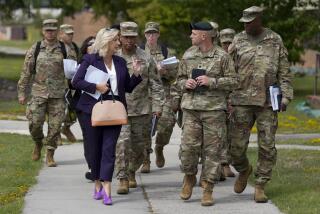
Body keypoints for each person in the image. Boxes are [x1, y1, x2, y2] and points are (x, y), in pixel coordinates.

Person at [228, 6, 293, 203]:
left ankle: (260, 185)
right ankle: (244, 169)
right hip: (241, 101)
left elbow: (284, 70)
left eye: (250, 21)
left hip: (267, 102)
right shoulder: (237, 40)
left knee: (267, 146)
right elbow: (228, 69)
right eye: (244, 22)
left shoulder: (275, 39)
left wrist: (286, 96)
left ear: (259, 19)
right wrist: (227, 97)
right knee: (235, 148)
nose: (246, 25)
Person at [72, 27, 142, 205]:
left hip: (114, 111)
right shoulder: (90, 59)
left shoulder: (119, 62)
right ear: (106, 42)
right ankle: (97, 184)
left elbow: (126, 87)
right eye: (116, 40)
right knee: (95, 150)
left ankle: (107, 188)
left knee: (109, 150)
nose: (119, 43)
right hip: (92, 112)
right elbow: (76, 81)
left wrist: (137, 74)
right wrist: (96, 87)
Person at [176, 21, 238, 206]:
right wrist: (184, 84)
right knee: (188, 149)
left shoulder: (222, 56)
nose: (190, 36)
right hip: (191, 109)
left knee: (213, 153)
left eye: (193, 34)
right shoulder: (188, 54)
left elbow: (234, 81)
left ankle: (208, 188)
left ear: (204, 36)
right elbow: (178, 80)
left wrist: (213, 81)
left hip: (213, 111)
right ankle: (189, 177)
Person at [115, 21, 163, 194]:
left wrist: (158, 105)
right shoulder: (113, 56)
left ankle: (131, 171)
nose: (129, 40)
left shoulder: (145, 57)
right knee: (122, 143)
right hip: (119, 109)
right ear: (120, 37)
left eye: (132, 37)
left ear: (136, 38)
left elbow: (156, 84)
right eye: (126, 37)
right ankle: (122, 178)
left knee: (140, 148)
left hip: (142, 109)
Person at [17, 19, 70, 167]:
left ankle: (50, 154)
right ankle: (38, 142)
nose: (50, 32)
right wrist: (21, 92)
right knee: (34, 123)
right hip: (38, 93)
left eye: (53, 30)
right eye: (47, 30)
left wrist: (74, 89)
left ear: (57, 31)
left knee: (55, 126)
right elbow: (26, 72)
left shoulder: (65, 49)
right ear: (43, 31)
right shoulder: (36, 48)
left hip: (58, 95)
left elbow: (72, 72)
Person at [140, 21, 178, 171]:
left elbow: (176, 74)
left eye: (154, 33)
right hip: (145, 95)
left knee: (167, 124)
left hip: (164, 94)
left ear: (158, 34)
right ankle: (145, 160)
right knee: (144, 128)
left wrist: (165, 72)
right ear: (144, 35)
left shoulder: (166, 51)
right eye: (148, 33)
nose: (151, 36)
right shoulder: (139, 51)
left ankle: (160, 147)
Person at [75, 36, 96, 181]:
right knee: (89, 138)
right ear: (85, 47)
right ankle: (92, 168)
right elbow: (74, 83)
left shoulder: (104, 62)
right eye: (91, 44)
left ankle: (100, 166)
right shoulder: (82, 63)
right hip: (84, 107)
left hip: (101, 106)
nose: (94, 46)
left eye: (96, 43)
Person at [218, 28, 237, 178]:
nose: (227, 45)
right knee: (218, 134)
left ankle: (226, 163)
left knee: (231, 134)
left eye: (230, 42)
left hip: (236, 100)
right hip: (219, 100)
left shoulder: (241, 57)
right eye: (224, 43)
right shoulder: (217, 56)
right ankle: (221, 165)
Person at [58, 24, 79, 143]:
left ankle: (66, 128)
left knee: (73, 109)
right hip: (59, 83)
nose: (71, 36)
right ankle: (56, 135)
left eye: (72, 33)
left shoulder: (74, 46)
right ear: (61, 34)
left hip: (72, 83)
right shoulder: (57, 47)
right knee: (58, 110)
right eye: (68, 33)